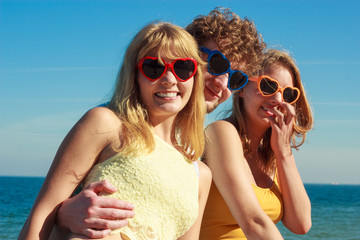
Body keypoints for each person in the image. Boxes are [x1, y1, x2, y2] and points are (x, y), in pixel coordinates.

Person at [53, 8, 266, 239]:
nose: (222, 84)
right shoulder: (113, 123)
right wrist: (62, 213)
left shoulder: (196, 161)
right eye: (216, 63)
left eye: (235, 78)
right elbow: (50, 208)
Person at [18, 22, 213, 240]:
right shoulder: (106, 123)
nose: (169, 80)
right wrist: (64, 215)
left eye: (183, 68)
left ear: (195, 77)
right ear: (134, 76)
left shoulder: (200, 175)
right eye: (154, 68)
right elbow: (41, 216)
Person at [199, 49, 313, 239]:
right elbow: (254, 223)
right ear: (242, 87)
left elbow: (300, 223)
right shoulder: (222, 132)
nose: (277, 100)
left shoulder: (274, 156)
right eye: (268, 86)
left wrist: (283, 152)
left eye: (287, 94)